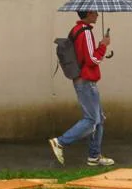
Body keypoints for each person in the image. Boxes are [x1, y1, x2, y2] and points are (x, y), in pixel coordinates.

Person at [48, 10, 114, 166]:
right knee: (91, 119)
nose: (97, 15)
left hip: (83, 80)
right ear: (89, 13)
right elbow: (92, 59)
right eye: (95, 12)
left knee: (99, 119)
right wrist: (103, 46)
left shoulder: (76, 30)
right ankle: (60, 142)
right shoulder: (85, 32)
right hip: (86, 82)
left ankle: (94, 156)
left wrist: (99, 46)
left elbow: (84, 55)